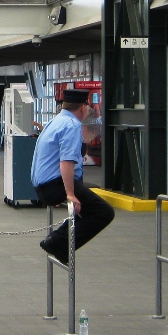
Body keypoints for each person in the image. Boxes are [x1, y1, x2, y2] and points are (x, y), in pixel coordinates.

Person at [31, 88, 114, 264]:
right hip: (55, 185)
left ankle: (59, 243)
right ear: (83, 108)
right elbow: (67, 161)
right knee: (104, 212)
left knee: (87, 209)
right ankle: (58, 243)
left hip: (42, 185)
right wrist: (70, 194)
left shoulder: (56, 121)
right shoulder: (72, 125)